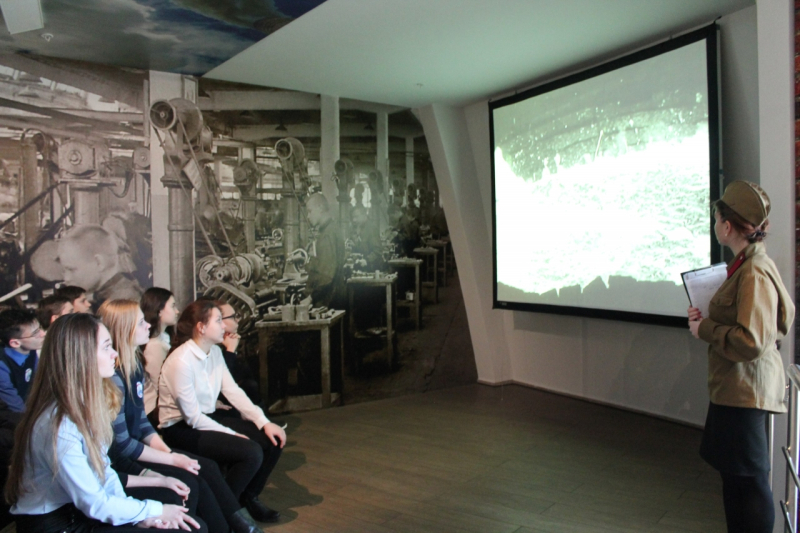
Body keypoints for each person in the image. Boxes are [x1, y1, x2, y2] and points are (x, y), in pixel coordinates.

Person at [5, 312, 204, 532]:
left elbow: (104, 473)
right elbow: (94, 503)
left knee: (187, 520)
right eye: (107, 347)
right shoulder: (59, 424)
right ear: (82, 356)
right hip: (57, 523)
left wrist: (139, 515)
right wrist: (152, 510)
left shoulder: (84, 405)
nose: (114, 353)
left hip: (76, 512)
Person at [99, 299, 262, 533]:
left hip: (139, 449)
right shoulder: (115, 377)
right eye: (141, 322)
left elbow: (142, 423)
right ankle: (238, 525)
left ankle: (237, 524)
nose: (148, 325)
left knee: (205, 469)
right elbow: (123, 445)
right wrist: (171, 458)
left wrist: (168, 454)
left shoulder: (133, 365)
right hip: (125, 458)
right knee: (196, 477)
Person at [688, 181, 794, 533]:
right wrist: (709, 318)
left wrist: (705, 329)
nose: (715, 224)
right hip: (736, 390)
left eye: (716, 219)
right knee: (737, 479)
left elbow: (752, 340)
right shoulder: (747, 264)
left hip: (744, 393)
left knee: (749, 484)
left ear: (727, 226)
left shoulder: (753, 272)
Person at [158, 300, 285, 524]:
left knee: (272, 440)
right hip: (180, 428)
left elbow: (232, 391)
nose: (224, 326)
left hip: (205, 418)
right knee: (251, 452)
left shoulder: (215, 352)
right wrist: (233, 434)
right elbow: (192, 418)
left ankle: (247, 498)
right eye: (218, 321)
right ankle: (226, 511)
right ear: (201, 327)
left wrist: (263, 421)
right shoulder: (181, 361)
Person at [56, 225, 143, 312]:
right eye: (64, 271)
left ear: (99, 263)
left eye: (71, 270)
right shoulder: (109, 294)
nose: (66, 278)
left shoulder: (122, 303)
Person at [140, 287, 180, 418]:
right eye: (173, 306)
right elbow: (161, 386)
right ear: (159, 310)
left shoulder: (165, 339)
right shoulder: (154, 346)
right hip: (156, 411)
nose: (177, 311)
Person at [304, 193, 345, 308]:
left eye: (310, 211)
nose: (308, 216)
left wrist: (310, 298)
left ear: (320, 208)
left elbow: (326, 276)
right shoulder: (333, 229)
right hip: (335, 296)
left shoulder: (327, 234)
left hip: (328, 300)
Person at [0, 309, 45, 412]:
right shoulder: (2, 365)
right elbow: (14, 404)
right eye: (35, 333)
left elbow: (37, 380)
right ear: (15, 343)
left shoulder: (30, 350)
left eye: (40, 328)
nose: (43, 334)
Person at [216, 302, 260, 405]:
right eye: (232, 317)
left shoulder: (228, 341)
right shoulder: (211, 348)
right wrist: (230, 350)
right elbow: (222, 384)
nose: (237, 320)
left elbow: (243, 374)